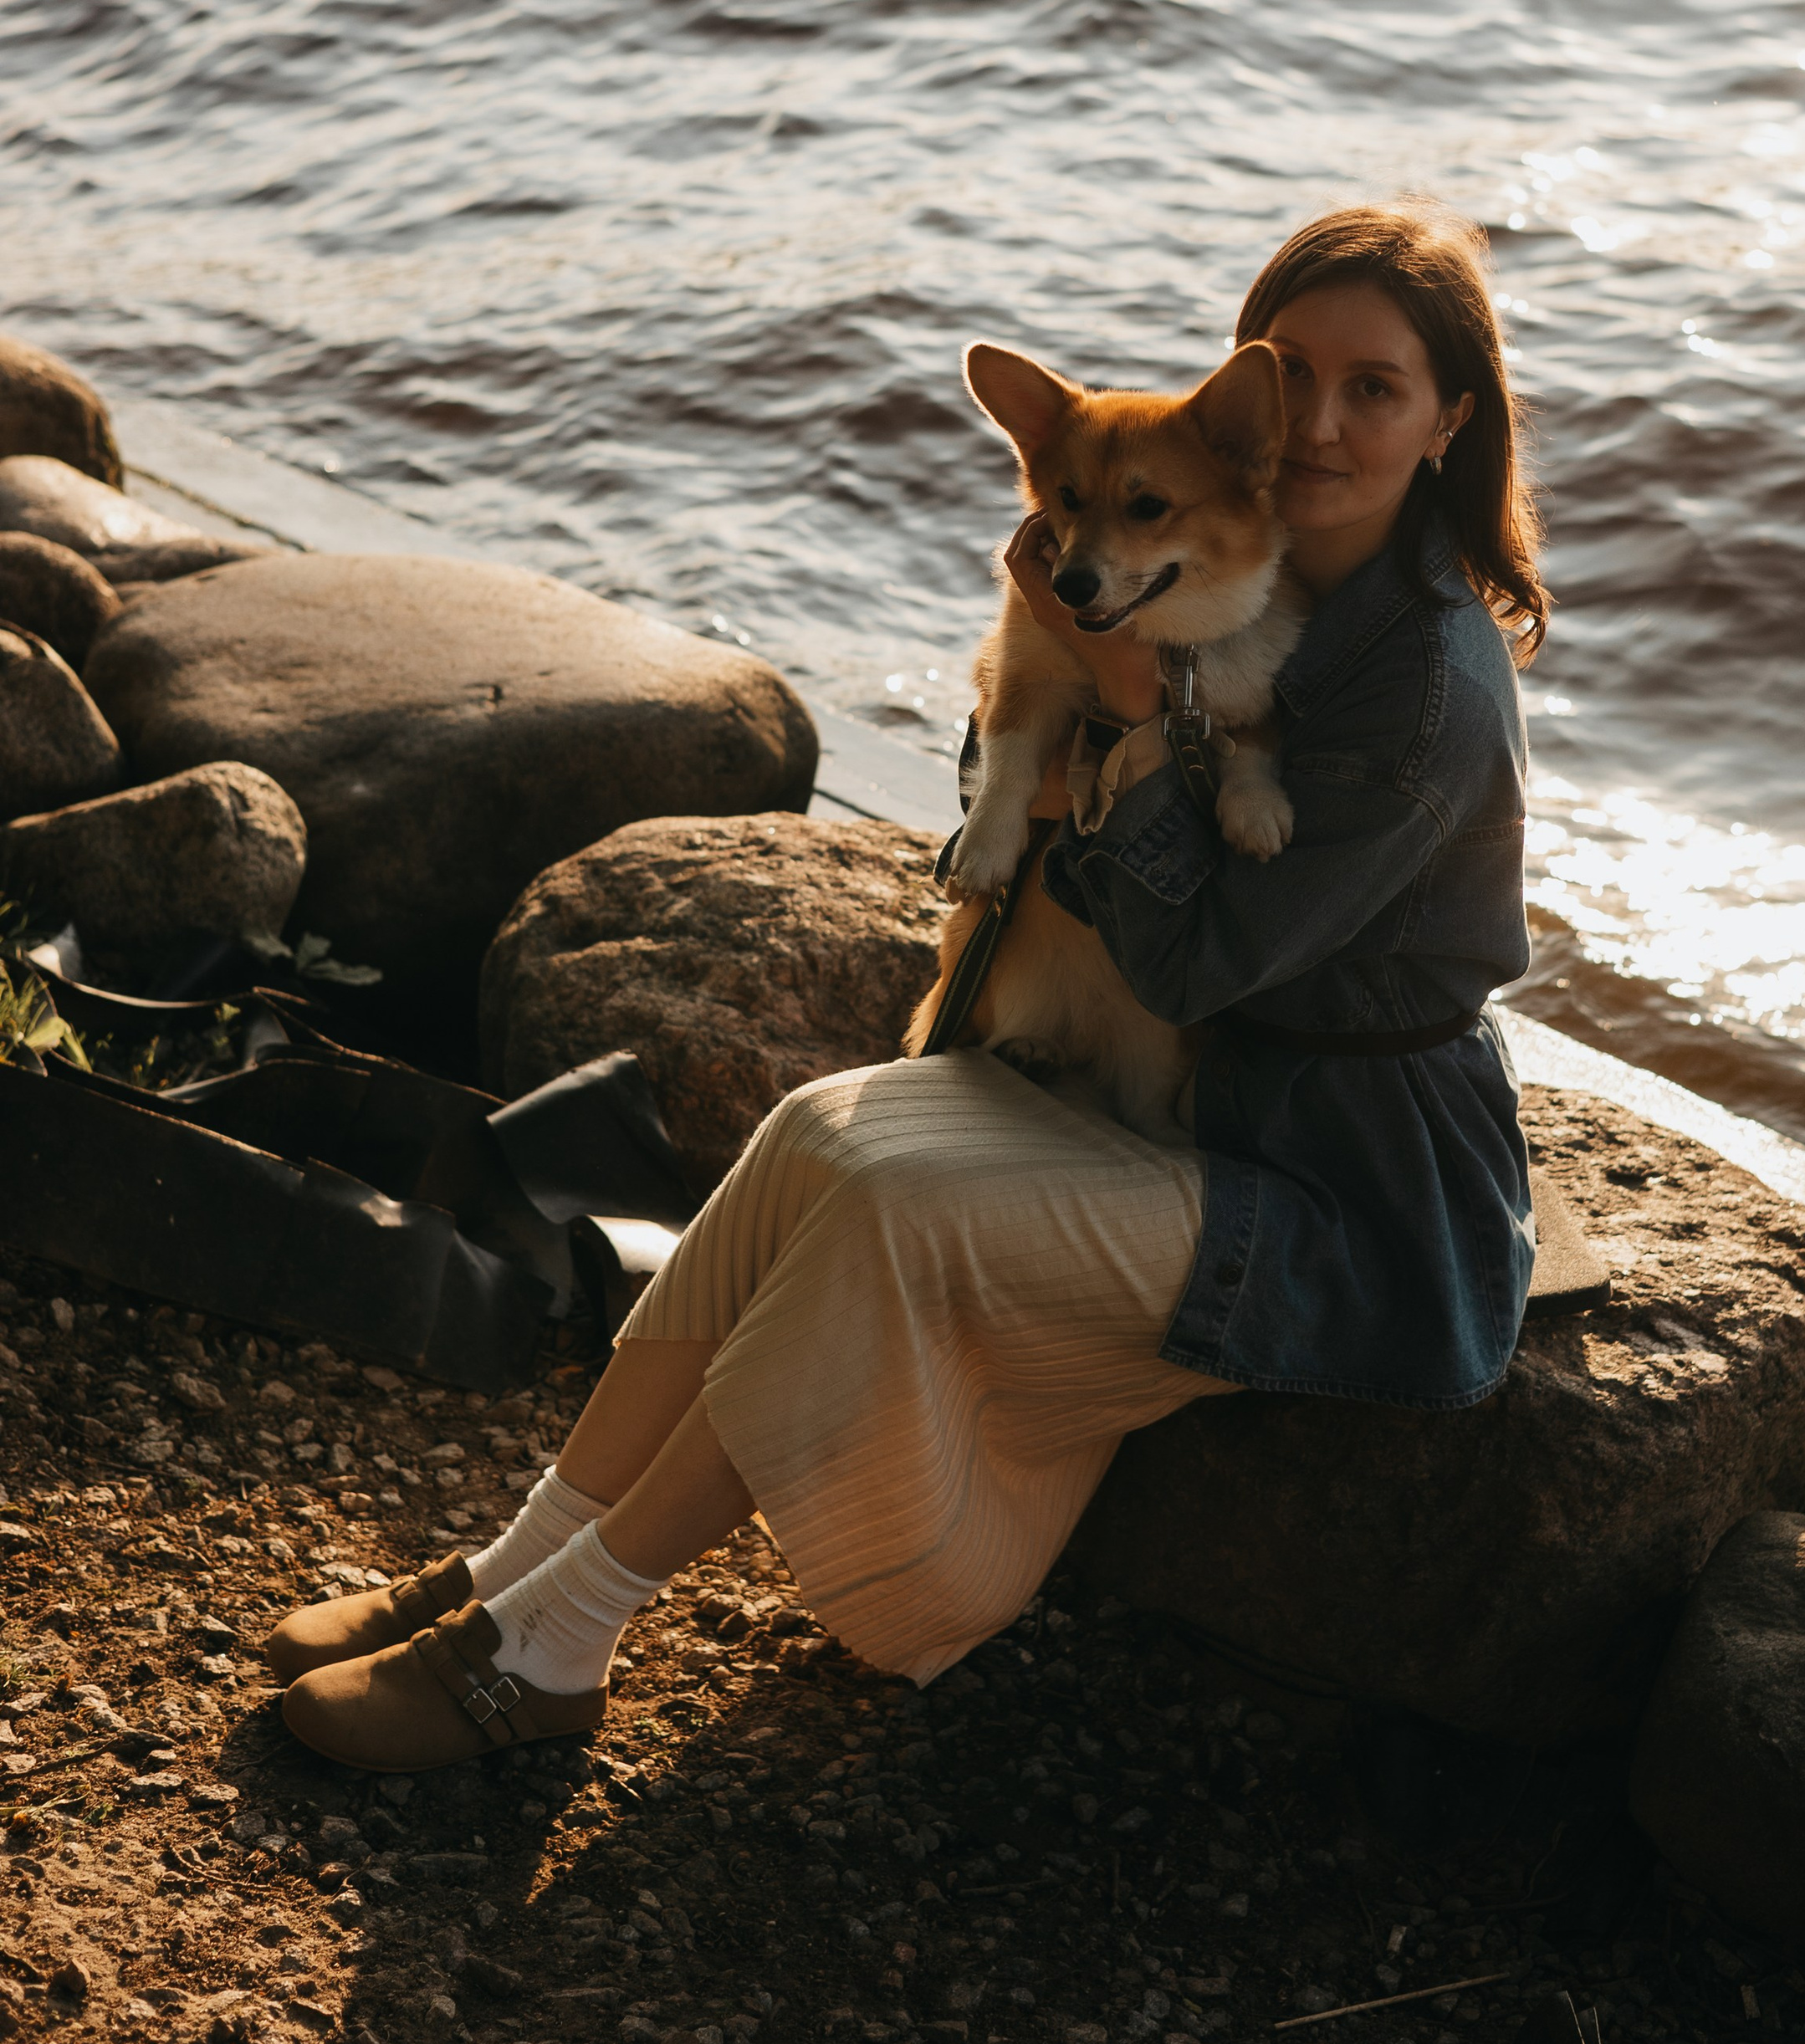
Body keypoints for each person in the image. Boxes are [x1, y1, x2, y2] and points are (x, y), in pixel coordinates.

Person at [267, 202, 1547, 1772]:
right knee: (818, 1128)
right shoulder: (1211, 566)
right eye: (1302, 379)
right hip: (1187, 1099)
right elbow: (987, 781)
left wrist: (1123, 710)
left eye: (1382, 390)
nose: (1327, 425)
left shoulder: (1419, 682)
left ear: (1449, 423)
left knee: (886, 1193)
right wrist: (1069, 732)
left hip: (1342, 1194)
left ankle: (555, 1644)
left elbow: (1199, 957)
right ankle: (505, 1571)